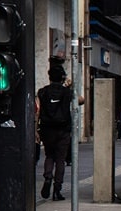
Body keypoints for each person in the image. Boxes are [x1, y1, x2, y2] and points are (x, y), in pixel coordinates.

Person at [35, 65, 84, 201]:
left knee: (49, 155)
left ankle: (48, 177)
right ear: (62, 78)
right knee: (60, 159)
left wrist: (35, 130)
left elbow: (37, 111)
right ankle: (57, 189)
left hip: (47, 128)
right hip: (63, 129)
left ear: (49, 77)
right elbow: (81, 100)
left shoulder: (42, 92)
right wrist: (71, 86)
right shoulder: (67, 92)